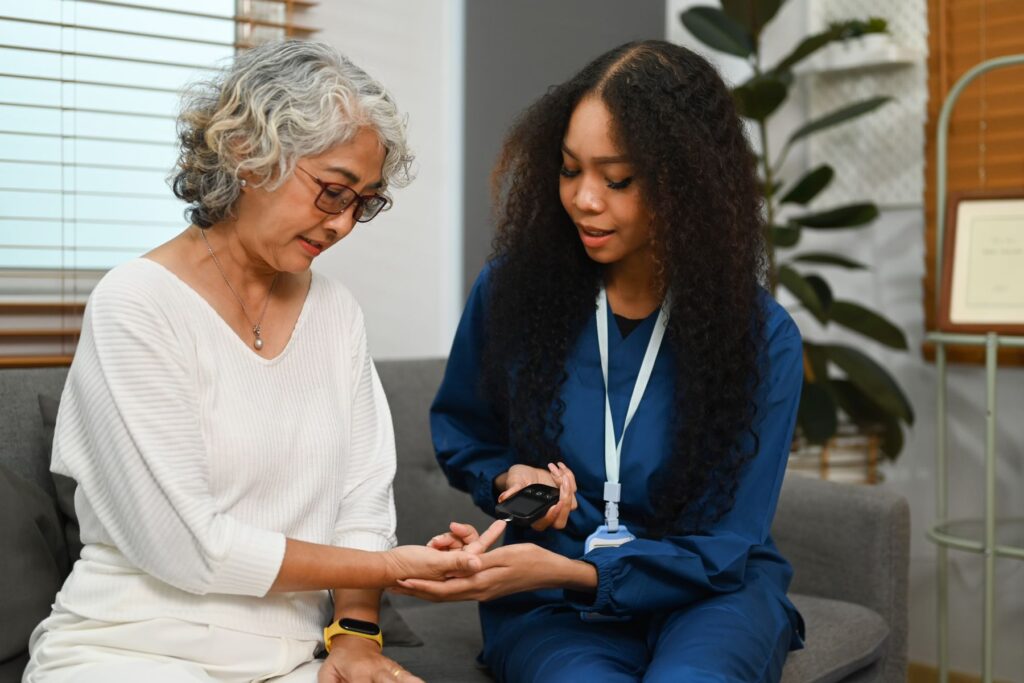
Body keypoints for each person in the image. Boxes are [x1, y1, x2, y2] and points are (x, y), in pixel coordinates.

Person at [23, 40, 495, 683]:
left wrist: (355, 638)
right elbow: (190, 546)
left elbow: (362, 502)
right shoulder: (136, 303)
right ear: (248, 150)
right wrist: (393, 567)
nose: (344, 224)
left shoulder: (335, 311)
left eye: (364, 203)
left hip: (289, 660)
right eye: (333, 192)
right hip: (131, 652)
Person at [395, 40, 806, 682]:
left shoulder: (761, 337)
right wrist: (511, 481)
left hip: (708, 598)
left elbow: (727, 545)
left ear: (687, 184)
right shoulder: (511, 292)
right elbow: (466, 434)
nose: (584, 199)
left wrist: (577, 568)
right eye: (568, 170)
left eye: (617, 179)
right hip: (549, 602)